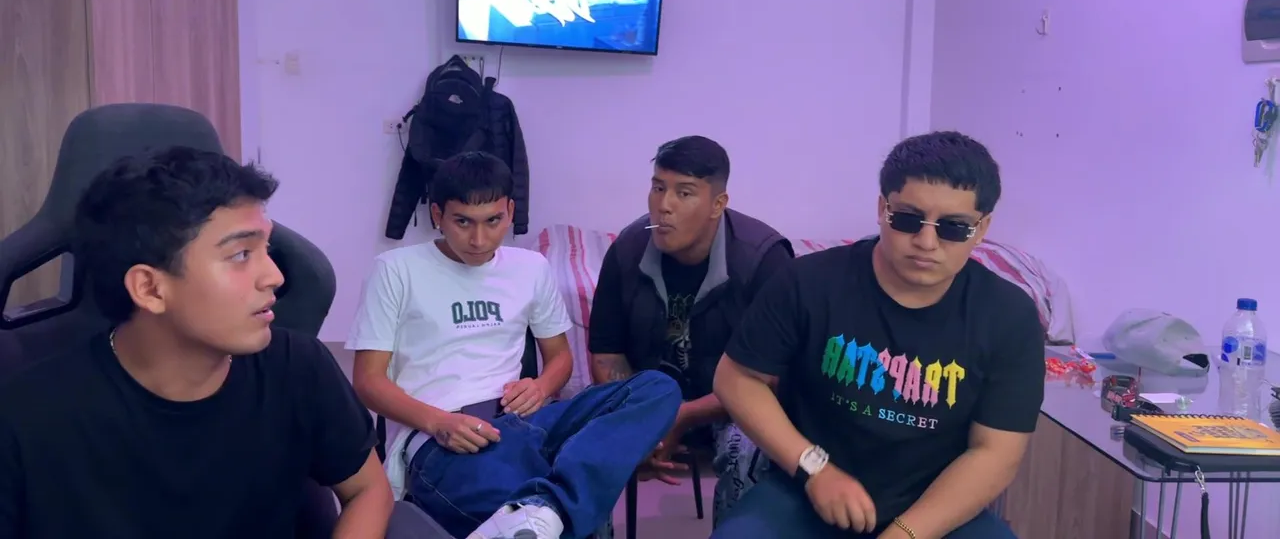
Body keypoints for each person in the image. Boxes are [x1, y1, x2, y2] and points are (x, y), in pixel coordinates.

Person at [0, 147, 392, 538]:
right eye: (241, 254)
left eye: (267, 250)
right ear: (150, 288)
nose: (274, 276)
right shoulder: (27, 418)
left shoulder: (298, 367)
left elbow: (368, 490)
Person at [711, 131, 1045, 539]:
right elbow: (737, 378)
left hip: (936, 506)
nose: (926, 242)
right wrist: (815, 468)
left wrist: (907, 532)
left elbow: (995, 452)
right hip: (806, 489)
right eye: (907, 219)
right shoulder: (808, 282)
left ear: (981, 228)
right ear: (882, 208)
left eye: (953, 228)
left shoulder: (1009, 316)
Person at [348, 151, 682, 539]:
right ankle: (550, 506)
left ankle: (544, 507)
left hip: (528, 420)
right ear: (438, 215)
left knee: (657, 388)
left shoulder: (530, 267)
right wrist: (438, 422)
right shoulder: (395, 270)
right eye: (462, 222)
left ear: (509, 211)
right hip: (447, 436)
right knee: (534, 509)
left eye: (493, 221)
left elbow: (560, 358)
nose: (479, 239)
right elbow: (368, 381)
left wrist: (541, 386)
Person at [587, 136, 794, 526]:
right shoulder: (628, 249)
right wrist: (640, 417)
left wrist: (682, 416)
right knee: (581, 440)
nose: (664, 205)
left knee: (746, 449)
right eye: (658, 187)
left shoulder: (763, 259)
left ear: (718, 204)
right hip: (647, 399)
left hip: (731, 404)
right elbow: (607, 353)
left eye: (684, 193)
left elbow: (770, 375)